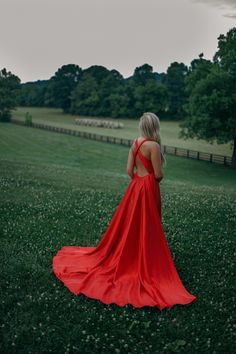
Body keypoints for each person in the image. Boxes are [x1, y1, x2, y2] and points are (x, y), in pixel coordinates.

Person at [52, 112, 197, 309]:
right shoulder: (153, 145)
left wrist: (138, 182)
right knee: (148, 223)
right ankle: (143, 257)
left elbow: (129, 170)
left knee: (131, 223)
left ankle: (131, 252)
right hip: (148, 187)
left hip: (136, 187)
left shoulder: (136, 142)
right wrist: (149, 181)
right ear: (155, 127)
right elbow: (159, 175)